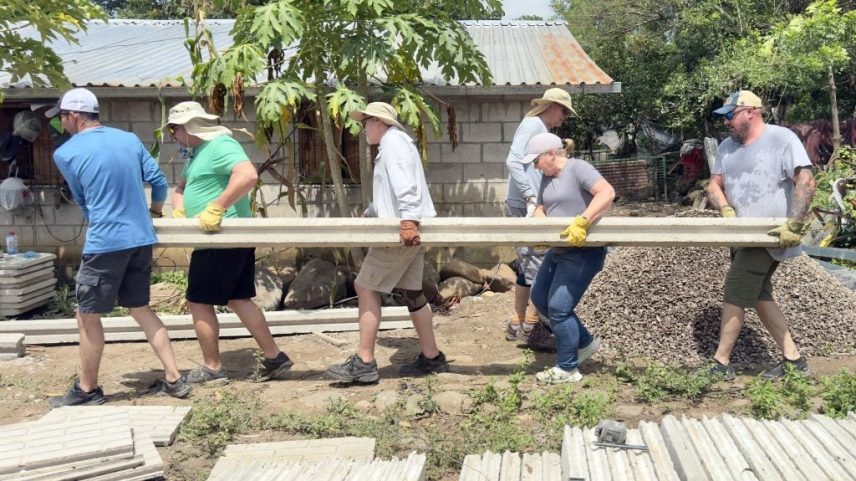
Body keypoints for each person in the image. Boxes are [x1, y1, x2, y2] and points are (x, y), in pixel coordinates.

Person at [47, 88, 191, 407]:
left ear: (74, 115)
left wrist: (101, 221)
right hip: (141, 239)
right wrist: (154, 212)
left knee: (86, 316)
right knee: (140, 309)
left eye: (61, 116)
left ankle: (87, 390)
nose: (60, 122)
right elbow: (158, 182)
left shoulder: (66, 153)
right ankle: (174, 378)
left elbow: (83, 199)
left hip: (106, 243)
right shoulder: (128, 139)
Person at [166, 101, 293, 383]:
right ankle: (275, 357)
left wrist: (217, 207)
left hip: (220, 240)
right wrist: (179, 208)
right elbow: (181, 189)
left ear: (188, 126)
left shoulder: (220, 145)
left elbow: (248, 175)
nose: (172, 135)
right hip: (216, 240)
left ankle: (212, 368)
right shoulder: (196, 155)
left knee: (198, 302)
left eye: (174, 129)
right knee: (238, 299)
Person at [327, 102, 447, 384]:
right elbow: (392, 189)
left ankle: (364, 362)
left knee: (365, 286)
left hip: (401, 233)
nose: (363, 128)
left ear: (379, 122)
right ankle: (432, 357)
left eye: (366, 122)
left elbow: (406, 185)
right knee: (413, 292)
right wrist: (372, 210)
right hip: (405, 229)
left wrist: (407, 222)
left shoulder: (393, 143)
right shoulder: (394, 144)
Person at [707, 90, 816, 380]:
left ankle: (720, 363)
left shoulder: (781, 139)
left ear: (751, 112)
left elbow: (805, 180)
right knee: (759, 296)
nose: (727, 123)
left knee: (735, 290)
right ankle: (794, 361)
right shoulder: (726, 148)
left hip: (768, 236)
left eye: (731, 115)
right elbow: (714, 185)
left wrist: (794, 224)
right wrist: (726, 208)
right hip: (740, 236)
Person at [525, 132, 615, 384]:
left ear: (551, 154)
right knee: (540, 297)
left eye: (536, 160)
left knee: (559, 308)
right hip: (558, 250)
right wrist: (541, 224)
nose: (534, 166)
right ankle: (584, 343)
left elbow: (606, 193)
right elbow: (541, 206)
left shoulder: (578, 168)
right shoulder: (547, 176)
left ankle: (567, 368)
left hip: (583, 252)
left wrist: (583, 222)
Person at [504, 88, 577, 349]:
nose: (565, 117)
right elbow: (513, 162)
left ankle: (517, 321)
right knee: (539, 263)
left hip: (522, 203)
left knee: (526, 264)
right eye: (563, 111)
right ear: (550, 106)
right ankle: (533, 328)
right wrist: (531, 198)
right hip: (526, 206)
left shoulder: (540, 129)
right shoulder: (533, 124)